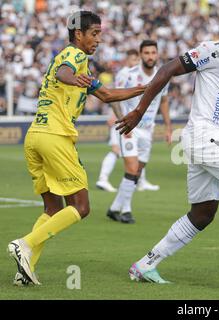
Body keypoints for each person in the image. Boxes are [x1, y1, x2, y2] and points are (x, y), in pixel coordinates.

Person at [117, 10, 219, 292]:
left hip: (208, 140)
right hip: (206, 134)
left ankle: (146, 264)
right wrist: (139, 111)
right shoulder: (214, 51)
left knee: (203, 213)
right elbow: (168, 69)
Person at [7, 11, 147, 286]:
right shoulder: (74, 56)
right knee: (81, 207)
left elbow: (107, 95)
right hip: (55, 137)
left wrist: (146, 88)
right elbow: (64, 73)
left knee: (52, 209)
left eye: (100, 34)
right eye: (94, 33)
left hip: (35, 137)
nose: (98, 39)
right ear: (78, 34)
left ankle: (25, 270)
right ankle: (24, 243)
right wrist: (72, 79)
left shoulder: (78, 65)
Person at [106, 40, 171, 224]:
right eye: (146, 53)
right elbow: (113, 97)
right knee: (132, 168)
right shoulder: (127, 74)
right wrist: (123, 122)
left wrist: (168, 127)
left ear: (157, 55)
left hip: (147, 131)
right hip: (130, 129)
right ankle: (126, 210)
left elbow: (164, 101)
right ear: (140, 55)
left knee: (136, 172)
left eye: (153, 53)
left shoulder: (163, 76)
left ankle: (114, 208)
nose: (150, 56)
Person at [96, 49, 140, 193]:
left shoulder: (132, 74)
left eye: (137, 60)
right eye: (134, 59)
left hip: (125, 118)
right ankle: (102, 179)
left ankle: (141, 181)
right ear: (128, 60)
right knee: (116, 150)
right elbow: (115, 97)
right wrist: (118, 118)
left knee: (133, 151)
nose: (137, 62)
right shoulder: (125, 74)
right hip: (120, 118)